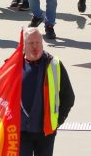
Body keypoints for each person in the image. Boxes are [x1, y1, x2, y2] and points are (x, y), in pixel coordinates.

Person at [19, 27, 75, 156]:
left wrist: (57, 121)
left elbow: (68, 97)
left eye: (38, 42)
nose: (35, 47)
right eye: (31, 43)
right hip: (21, 132)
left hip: (46, 133)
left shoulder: (54, 65)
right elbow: (3, 93)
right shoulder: (14, 65)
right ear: (23, 46)